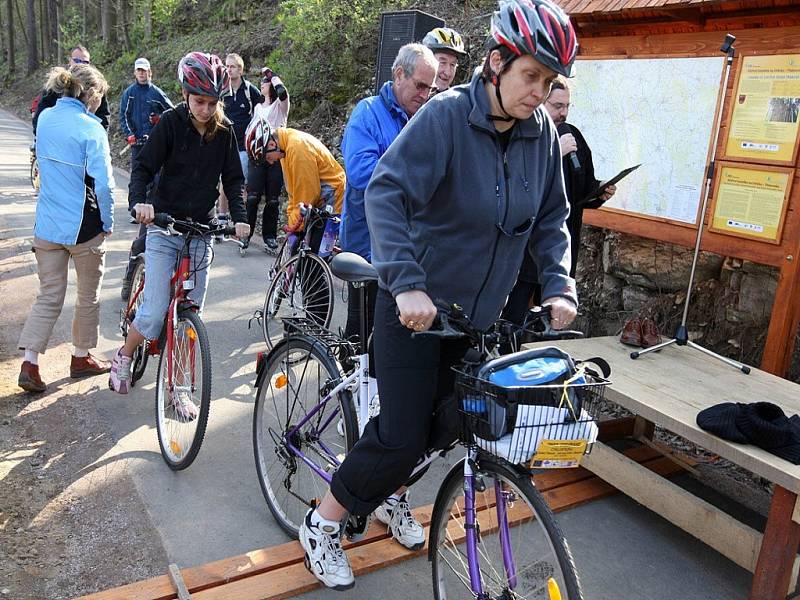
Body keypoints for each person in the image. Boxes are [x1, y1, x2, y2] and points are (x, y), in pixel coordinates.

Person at [297, 0, 580, 590]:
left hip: (476, 320)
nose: (539, 91)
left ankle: (387, 490)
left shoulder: (540, 134)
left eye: (549, 81)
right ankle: (322, 522)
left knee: (450, 425)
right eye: (531, 75)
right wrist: (407, 282)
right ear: (497, 63)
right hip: (415, 313)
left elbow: (552, 218)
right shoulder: (447, 117)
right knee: (400, 436)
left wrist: (558, 285)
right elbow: (386, 194)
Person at [109, 52, 250, 406]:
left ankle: (181, 388)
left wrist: (241, 217)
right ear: (185, 94)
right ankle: (124, 355)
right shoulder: (171, 124)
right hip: (164, 226)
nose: (205, 109)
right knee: (155, 312)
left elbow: (233, 179)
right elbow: (142, 168)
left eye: (212, 102)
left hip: (200, 232)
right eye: (199, 101)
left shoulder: (225, 131)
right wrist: (140, 203)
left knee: (189, 314)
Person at [18, 64, 115, 392]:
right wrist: (108, 221)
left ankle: (30, 362)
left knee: (49, 294)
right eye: (100, 96)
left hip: (46, 223)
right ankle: (81, 356)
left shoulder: (44, 119)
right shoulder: (92, 128)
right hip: (83, 227)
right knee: (88, 294)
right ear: (91, 94)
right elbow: (103, 185)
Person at [339, 43, 437, 342]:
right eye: (420, 85)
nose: (425, 95)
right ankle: (344, 385)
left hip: (406, 246)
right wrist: (418, 184)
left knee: (394, 335)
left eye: (430, 89)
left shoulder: (424, 118)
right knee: (362, 331)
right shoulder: (367, 113)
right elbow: (361, 173)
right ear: (398, 74)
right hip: (367, 245)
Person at [502, 76, 616, 326]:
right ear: (541, 102)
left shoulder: (572, 136)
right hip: (526, 251)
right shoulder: (521, 134)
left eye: (567, 106)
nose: (563, 113)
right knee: (513, 321)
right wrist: (553, 150)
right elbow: (515, 186)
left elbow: (581, 192)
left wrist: (599, 192)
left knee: (547, 325)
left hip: (561, 248)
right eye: (557, 106)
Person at [243, 67, 290, 253]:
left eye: (265, 82)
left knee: (272, 199)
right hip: (257, 155)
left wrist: (272, 76)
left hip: (276, 154)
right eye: (262, 81)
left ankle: (269, 236)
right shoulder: (257, 107)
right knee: (253, 197)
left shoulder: (280, 105)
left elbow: (283, 92)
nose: (262, 84)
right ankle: (246, 233)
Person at [217, 53, 264, 225]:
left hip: (244, 146)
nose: (229, 70)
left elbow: (262, 111)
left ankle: (240, 220)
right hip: (224, 144)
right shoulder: (222, 92)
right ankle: (222, 217)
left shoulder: (250, 91)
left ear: (240, 69)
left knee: (241, 183)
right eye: (227, 67)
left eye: (232, 66)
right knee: (224, 182)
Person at [32, 46, 111, 134]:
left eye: (85, 62)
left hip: (86, 138)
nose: (81, 64)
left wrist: (101, 136)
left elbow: (104, 118)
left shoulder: (97, 87)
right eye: (77, 61)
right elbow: (40, 116)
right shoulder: (57, 84)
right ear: (70, 61)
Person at [119, 57, 174, 170]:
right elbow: (124, 116)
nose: (141, 73)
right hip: (137, 143)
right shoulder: (129, 93)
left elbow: (172, 114)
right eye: (138, 70)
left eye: (144, 70)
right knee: (137, 178)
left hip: (155, 142)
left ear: (150, 72)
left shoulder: (157, 93)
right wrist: (130, 134)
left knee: (157, 178)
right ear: (134, 72)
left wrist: (159, 118)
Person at [422, 26, 467, 92]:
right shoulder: (407, 95)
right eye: (442, 62)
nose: (447, 73)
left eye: (452, 65)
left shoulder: (455, 101)